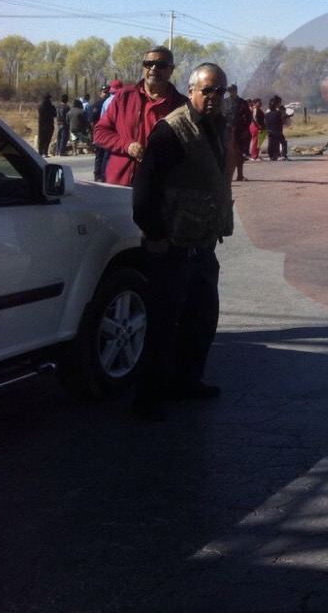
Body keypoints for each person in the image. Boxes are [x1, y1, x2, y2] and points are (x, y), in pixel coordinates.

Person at [130, 62, 234, 421]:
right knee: (164, 324)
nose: (214, 96)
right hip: (173, 246)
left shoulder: (217, 125)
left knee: (201, 319)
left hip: (203, 244)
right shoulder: (172, 129)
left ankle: (187, 381)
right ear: (191, 91)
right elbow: (144, 187)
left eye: (220, 91)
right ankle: (148, 398)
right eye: (207, 90)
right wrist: (155, 234)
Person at [93, 47, 187, 186]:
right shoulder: (124, 97)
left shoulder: (182, 106)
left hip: (162, 187)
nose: (153, 69)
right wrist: (127, 145)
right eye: (148, 64)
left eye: (160, 65)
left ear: (171, 69)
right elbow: (100, 133)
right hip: (122, 185)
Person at [225, 85, 252, 181]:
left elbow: (248, 117)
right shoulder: (224, 102)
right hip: (227, 130)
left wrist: (246, 129)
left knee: (239, 153)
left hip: (239, 131)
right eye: (229, 91)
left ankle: (240, 175)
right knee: (226, 153)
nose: (230, 92)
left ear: (236, 91)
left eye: (232, 90)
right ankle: (227, 176)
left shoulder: (242, 103)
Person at [264, 96, 287, 160]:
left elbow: (265, 122)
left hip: (269, 130)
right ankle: (283, 155)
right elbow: (282, 121)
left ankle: (272, 156)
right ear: (277, 104)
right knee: (283, 142)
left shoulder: (267, 114)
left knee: (271, 143)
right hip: (277, 130)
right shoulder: (278, 113)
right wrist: (283, 112)